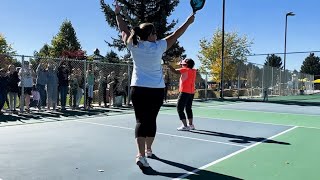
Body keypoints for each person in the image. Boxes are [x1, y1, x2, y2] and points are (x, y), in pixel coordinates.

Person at [114, 1, 195, 168]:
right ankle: (148, 150)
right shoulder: (159, 46)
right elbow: (176, 34)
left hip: (138, 89)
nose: (156, 35)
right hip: (156, 91)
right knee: (151, 121)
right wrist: (188, 22)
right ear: (149, 35)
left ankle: (141, 155)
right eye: (154, 32)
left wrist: (117, 14)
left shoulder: (133, 45)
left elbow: (123, 29)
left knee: (140, 121)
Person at [168, 59, 197, 131]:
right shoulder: (193, 71)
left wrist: (169, 65)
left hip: (184, 92)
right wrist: (181, 64)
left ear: (186, 65)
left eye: (183, 64)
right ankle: (191, 125)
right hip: (191, 92)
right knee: (188, 108)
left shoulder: (185, 70)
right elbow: (181, 68)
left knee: (179, 108)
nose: (182, 65)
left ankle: (185, 126)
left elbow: (175, 71)